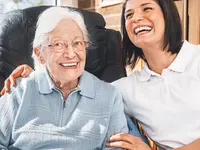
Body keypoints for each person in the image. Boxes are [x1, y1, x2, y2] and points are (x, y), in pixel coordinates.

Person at [2, 0, 200, 149]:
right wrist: (36, 75)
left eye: (147, 8)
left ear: (168, 14)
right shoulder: (122, 89)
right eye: (129, 15)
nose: (137, 18)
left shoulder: (196, 58)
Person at [0, 6, 129, 149]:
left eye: (77, 43)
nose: (71, 53)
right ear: (39, 54)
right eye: (59, 44)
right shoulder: (19, 90)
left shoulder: (109, 96)